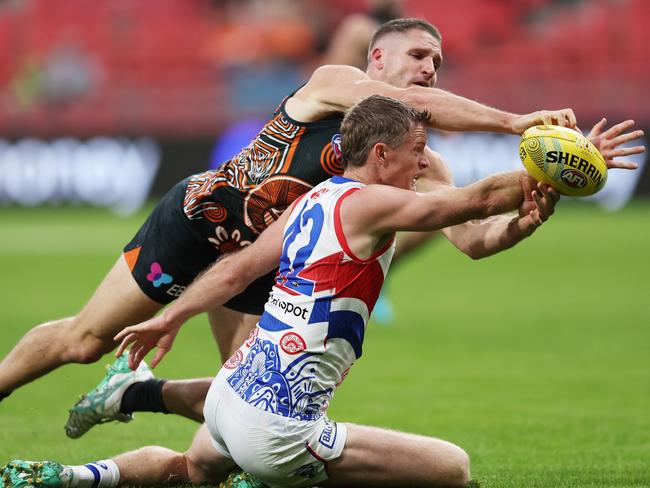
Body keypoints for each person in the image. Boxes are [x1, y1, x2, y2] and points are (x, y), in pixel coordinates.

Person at [0, 19, 640, 435]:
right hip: (202, 224)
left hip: (264, 268)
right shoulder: (336, 83)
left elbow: (474, 241)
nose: (430, 68)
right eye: (418, 55)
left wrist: (529, 213)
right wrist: (516, 122)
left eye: (439, 60)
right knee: (84, 340)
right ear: (378, 58)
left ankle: (136, 401)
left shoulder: (424, 163)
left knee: (242, 405)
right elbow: (411, 105)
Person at [1, 94, 562, 488]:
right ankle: (268, 479)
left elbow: (229, 273)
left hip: (228, 401)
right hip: (278, 433)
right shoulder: (372, 203)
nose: (426, 163)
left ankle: (71, 476)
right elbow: (476, 200)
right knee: (453, 468)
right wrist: (566, 160)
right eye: (418, 151)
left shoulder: (312, 200)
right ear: (382, 155)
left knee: (191, 470)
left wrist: (168, 319)